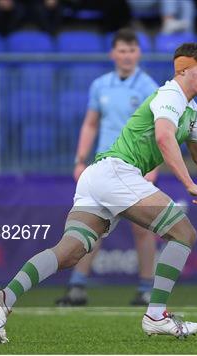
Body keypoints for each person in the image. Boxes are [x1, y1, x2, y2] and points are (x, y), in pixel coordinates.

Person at [0, 43, 197, 343]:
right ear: (183, 68)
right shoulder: (170, 96)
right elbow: (164, 136)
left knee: (68, 253)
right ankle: (156, 315)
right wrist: (188, 183)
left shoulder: (192, 111)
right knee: (184, 233)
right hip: (117, 172)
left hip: (98, 176)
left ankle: (4, 297)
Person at [56, 28, 160, 307]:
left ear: (139, 53)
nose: (127, 56)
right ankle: (77, 287)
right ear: (113, 54)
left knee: (144, 228)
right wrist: (80, 159)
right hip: (103, 167)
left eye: (132, 50)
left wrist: (154, 167)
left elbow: (157, 131)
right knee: (91, 225)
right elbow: (90, 123)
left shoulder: (148, 87)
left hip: (137, 166)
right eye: (122, 50)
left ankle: (147, 288)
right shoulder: (100, 85)